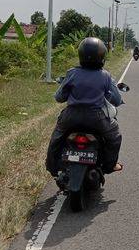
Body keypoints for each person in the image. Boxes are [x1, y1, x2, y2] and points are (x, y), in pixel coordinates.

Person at [46, 37, 124, 179]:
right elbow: (116, 99)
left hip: (71, 116)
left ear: (81, 55)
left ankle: (52, 166)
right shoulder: (105, 76)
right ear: (102, 57)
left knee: (57, 137)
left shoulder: (72, 73)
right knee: (115, 136)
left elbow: (59, 97)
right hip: (97, 118)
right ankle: (110, 165)